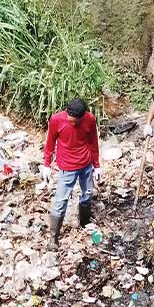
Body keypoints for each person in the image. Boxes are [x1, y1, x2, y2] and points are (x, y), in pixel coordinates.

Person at [41, 98, 101, 248]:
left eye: (75, 121)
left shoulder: (90, 119)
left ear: (82, 117)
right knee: (60, 200)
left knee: (88, 193)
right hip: (67, 167)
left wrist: (97, 165)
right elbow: (50, 142)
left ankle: (85, 222)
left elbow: (93, 142)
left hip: (86, 164)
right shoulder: (56, 120)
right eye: (70, 119)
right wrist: (47, 164)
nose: (72, 123)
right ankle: (53, 239)